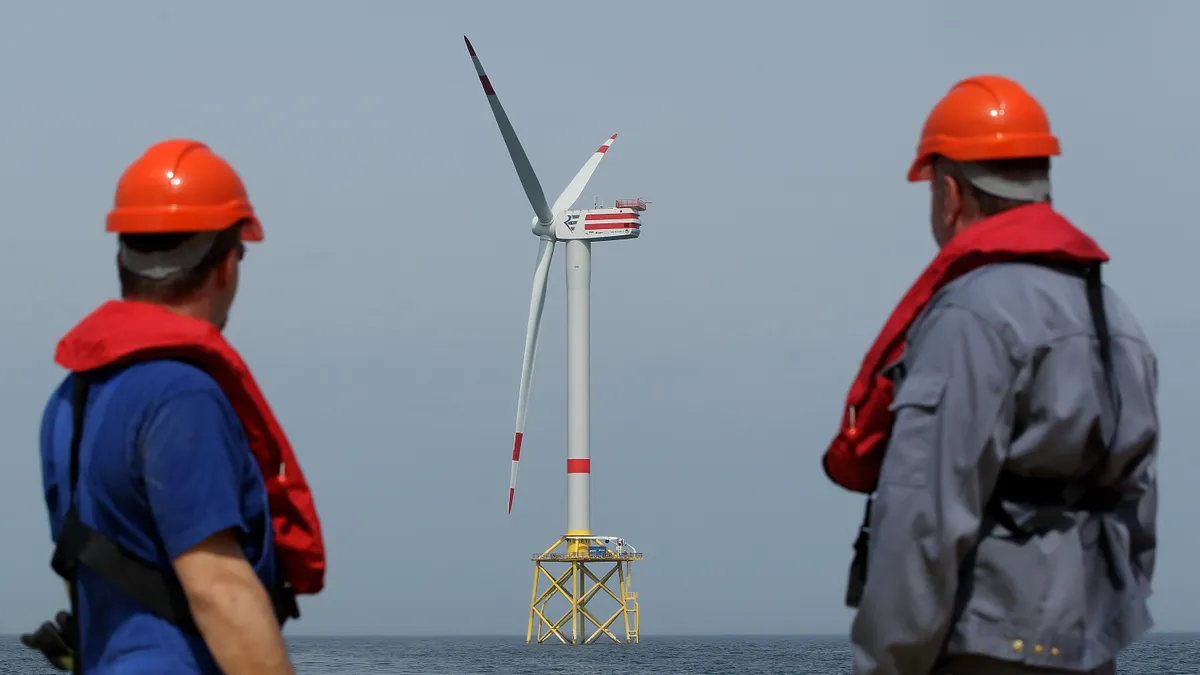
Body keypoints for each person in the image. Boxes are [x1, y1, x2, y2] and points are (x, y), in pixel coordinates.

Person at [822, 75, 1158, 674]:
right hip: (1085, 649)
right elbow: (1136, 507)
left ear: (950, 193)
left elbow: (922, 516)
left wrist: (886, 663)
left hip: (981, 645)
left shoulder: (971, 317)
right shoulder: (1116, 322)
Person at [30, 139, 327, 674]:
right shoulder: (181, 398)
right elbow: (219, 591)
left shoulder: (69, 402)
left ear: (124, 257)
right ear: (226, 266)